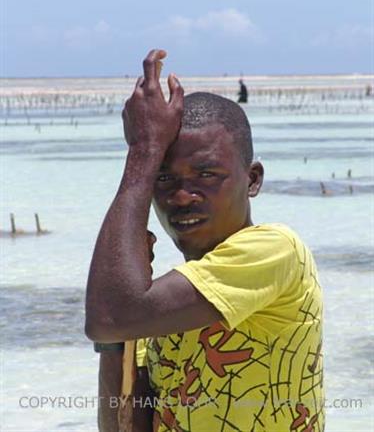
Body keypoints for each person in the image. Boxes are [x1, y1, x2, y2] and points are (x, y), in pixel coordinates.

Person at [85, 49, 324, 432]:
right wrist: (119, 340)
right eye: (162, 179)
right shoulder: (160, 303)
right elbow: (122, 425)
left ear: (252, 180)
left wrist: (143, 152)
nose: (181, 197)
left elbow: (109, 317)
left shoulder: (274, 250)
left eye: (207, 174)